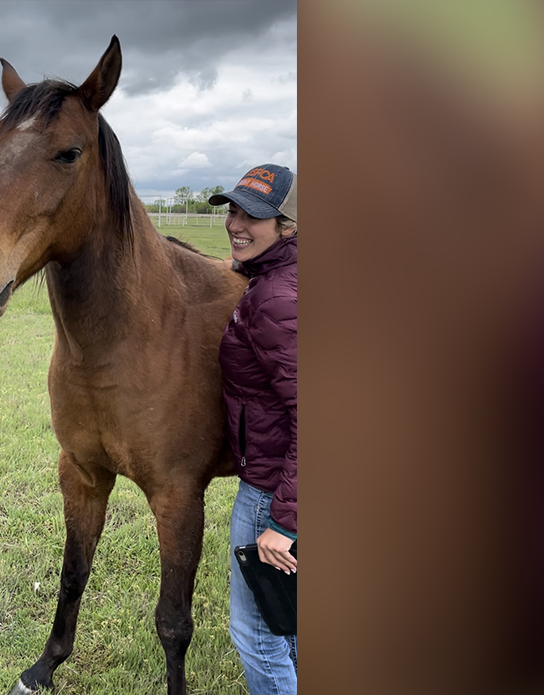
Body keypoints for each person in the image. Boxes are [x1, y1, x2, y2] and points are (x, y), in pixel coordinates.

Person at [210, 164, 298, 694]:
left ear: (287, 227)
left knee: (256, 635)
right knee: (286, 623)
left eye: (255, 217)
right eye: (234, 210)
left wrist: (283, 523)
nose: (237, 224)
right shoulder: (282, 281)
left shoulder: (275, 300)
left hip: (273, 491)